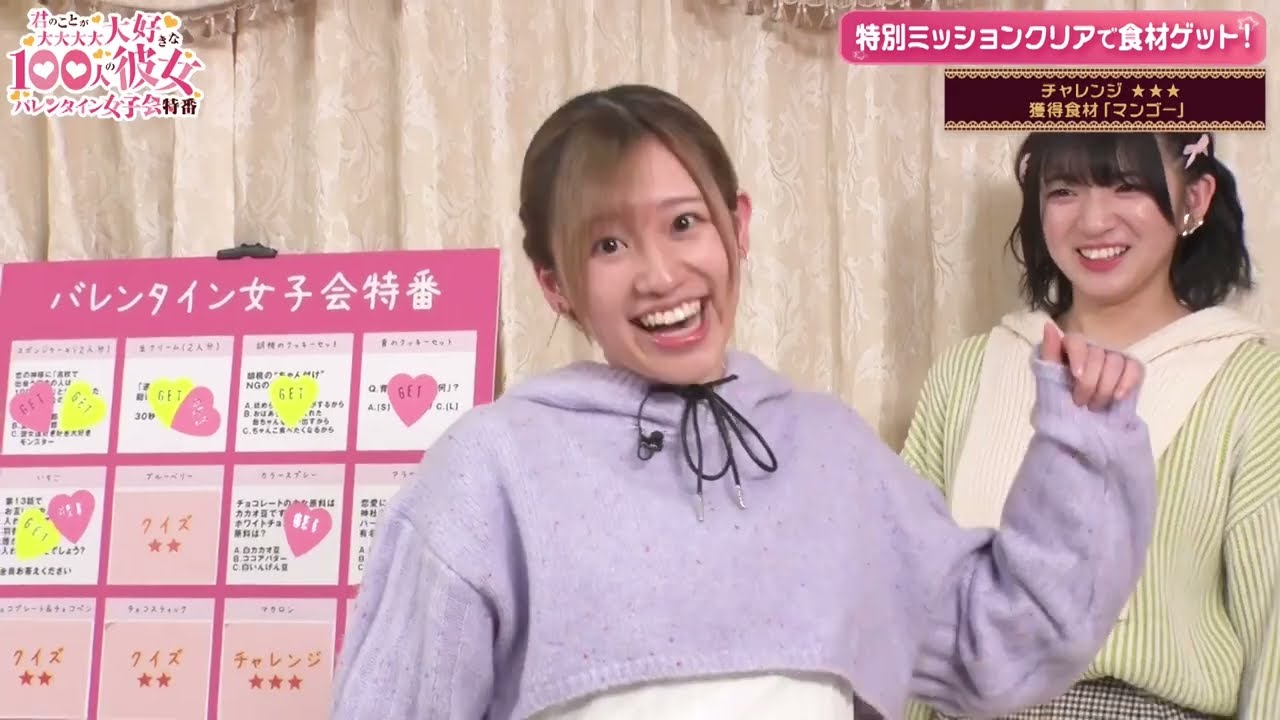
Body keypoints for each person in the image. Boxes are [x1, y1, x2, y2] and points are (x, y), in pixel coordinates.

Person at [331, 85, 1156, 720]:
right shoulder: (492, 468)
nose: (661, 275)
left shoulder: (830, 452)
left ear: (739, 225)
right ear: (555, 285)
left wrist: (1081, 442)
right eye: (609, 244)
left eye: (684, 223)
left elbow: (1000, 647)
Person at [901, 131, 1280, 720]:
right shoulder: (967, 372)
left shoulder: (1252, 382)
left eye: (1127, 186)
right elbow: (907, 599)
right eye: (1063, 190)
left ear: (1195, 198)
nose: (1094, 220)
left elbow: (1274, 635)